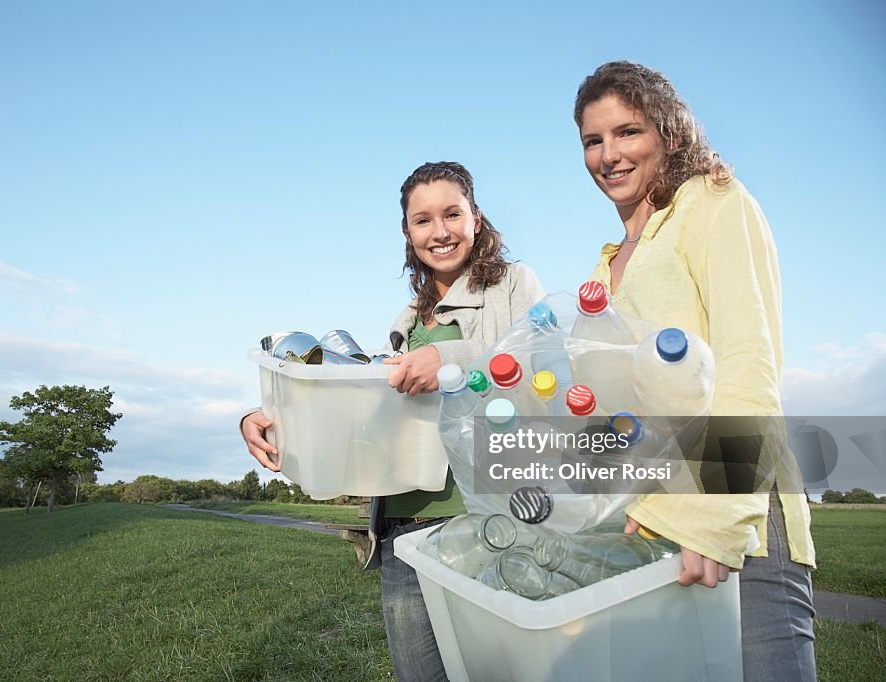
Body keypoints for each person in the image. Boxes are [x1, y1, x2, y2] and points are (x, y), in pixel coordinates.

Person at [240, 161, 544, 681]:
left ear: (476, 218)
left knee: (499, 670)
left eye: (452, 214)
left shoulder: (512, 284)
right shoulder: (406, 320)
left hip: (480, 523)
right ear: (407, 233)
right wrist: (267, 418)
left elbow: (541, 361)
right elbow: (362, 414)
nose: (440, 231)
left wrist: (454, 360)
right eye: (422, 220)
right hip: (403, 530)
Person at [573, 61, 816, 680]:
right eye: (593, 141)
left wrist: (710, 515)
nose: (609, 155)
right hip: (648, 523)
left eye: (627, 132)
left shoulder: (712, 200)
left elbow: (748, 360)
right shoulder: (604, 270)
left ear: (670, 133)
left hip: (735, 523)